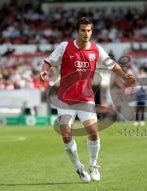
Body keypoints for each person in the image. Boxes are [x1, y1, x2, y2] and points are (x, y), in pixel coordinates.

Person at [40, 17, 136, 183]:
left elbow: (113, 65)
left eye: (89, 30)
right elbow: (49, 60)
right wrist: (44, 71)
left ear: (92, 31)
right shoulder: (65, 47)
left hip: (86, 99)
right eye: (83, 30)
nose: (86, 33)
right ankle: (79, 167)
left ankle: (93, 164)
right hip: (65, 99)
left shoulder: (96, 50)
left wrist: (126, 76)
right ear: (77, 31)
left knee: (93, 133)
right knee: (66, 134)